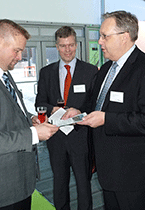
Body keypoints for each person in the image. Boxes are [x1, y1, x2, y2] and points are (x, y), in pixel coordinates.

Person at [65, 11, 145, 210]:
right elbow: (97, 105)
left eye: (104, 36)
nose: (100, 41)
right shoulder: (105, 69)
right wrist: (78, 111)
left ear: (124, 37)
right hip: (109, 171)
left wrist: (106, 119)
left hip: (136, 174)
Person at [0, 19, 58, 210]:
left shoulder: (1, 74)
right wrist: (34, 134)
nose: (19, 57)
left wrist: (29, 119)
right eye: (16, 50)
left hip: (16, 184)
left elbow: (6, 112)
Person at [35, 26, 98, 210]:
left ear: (76, 45)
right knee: (59, 183)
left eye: (71, 45)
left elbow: (94, 104)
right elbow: (40, 102)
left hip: (81, 138)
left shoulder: (90, 71)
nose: (67, 49)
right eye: (63, 46)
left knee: (83, 184)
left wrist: (78, 110)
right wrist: (53, 108)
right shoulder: (46, 73)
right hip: (56, 138)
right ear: (56, 46)